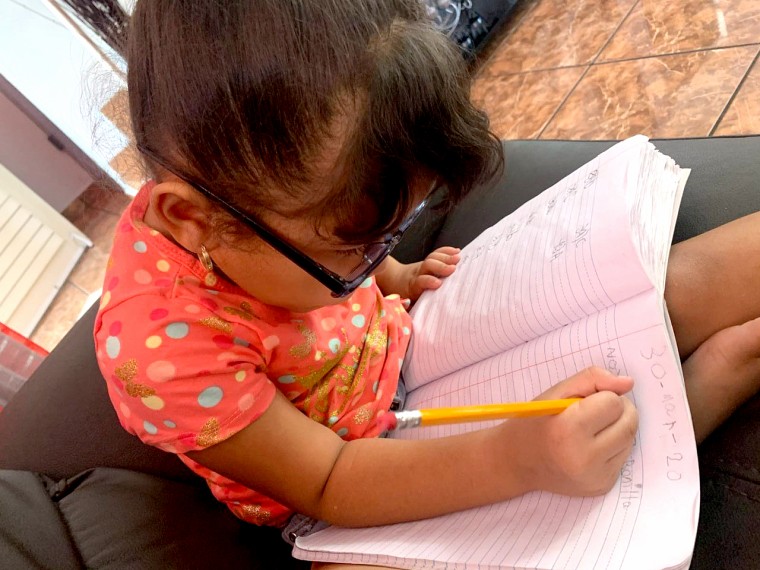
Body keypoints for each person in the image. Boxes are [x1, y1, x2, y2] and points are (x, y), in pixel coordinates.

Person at [94, 1, 760, 568]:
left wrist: (394, 274)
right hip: (345, 475)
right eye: (352, 249)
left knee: (645, 295)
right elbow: (328, 481)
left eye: (393, 229)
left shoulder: (271, 218)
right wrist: (515, 458)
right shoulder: (160, 352)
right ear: (193, 220)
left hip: (404, 348)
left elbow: (347, 253)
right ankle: (709, 384)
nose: (374, 255)